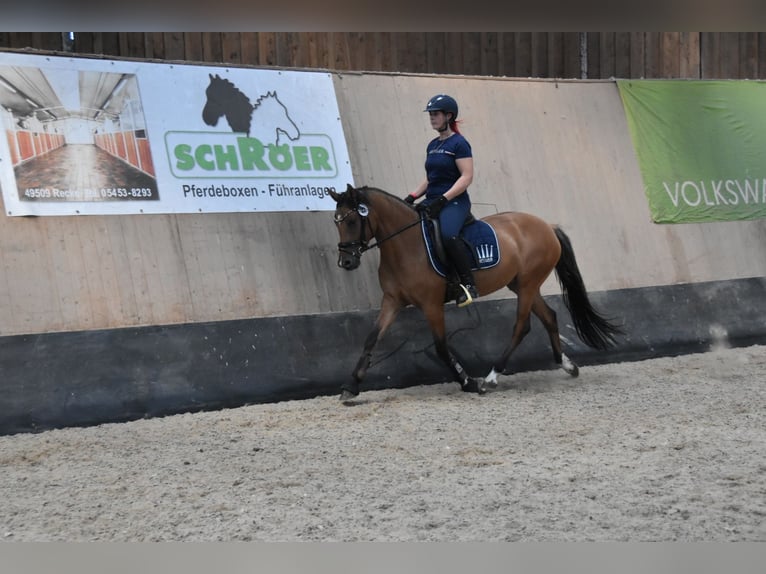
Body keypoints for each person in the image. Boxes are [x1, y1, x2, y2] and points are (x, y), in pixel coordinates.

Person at [404, 94, 478, 307]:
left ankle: (468, 284)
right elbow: (430, 177)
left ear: (448, 116)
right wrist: (412, 196)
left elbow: (466, 177)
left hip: (454, 201)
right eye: (430, 115)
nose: (432, 118)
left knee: (448, 235)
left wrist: (444, 199)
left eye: (435, 114)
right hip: (433, 199)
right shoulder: (433, 145)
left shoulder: (459, 143)